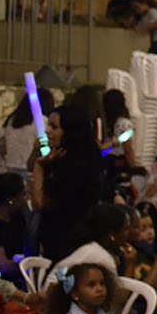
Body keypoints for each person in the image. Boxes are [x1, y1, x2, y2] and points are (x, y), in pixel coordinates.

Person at [32, 108, 104, 261]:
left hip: (67, 240)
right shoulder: (68, 155)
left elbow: (40, 203)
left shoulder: (75, 166)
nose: (47, 131)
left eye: (54, 127)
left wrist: (39, 166)